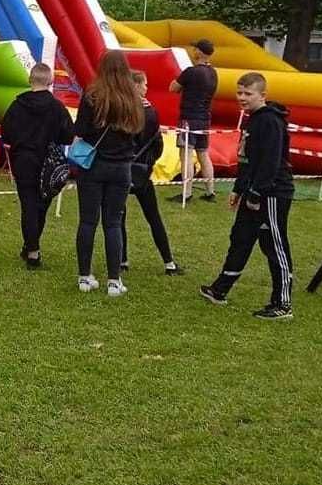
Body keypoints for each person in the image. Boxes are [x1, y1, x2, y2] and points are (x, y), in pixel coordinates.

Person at [199, 72, 295, 319]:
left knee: (274, 244)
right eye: (239, 93)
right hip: (252, 190)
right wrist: (238, 189)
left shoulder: (270, 121)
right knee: (240, 237)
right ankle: (220, 289)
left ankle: (283, 303)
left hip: (272, 193)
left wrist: (255, 193)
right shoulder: (252, 120)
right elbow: (247, 160)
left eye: (248, 94)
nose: (242, 98)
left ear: (262, 95)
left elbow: (270, 162)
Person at [72, 50, 144, 296]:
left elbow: (80, 128)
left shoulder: (92, 95)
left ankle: (84, 276)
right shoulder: (133, 98)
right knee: (113, 223)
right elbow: (139, 132)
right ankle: (114, 280)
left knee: (88, 221)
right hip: (121, 167)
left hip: (93, 166)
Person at [0, 61, 75, 269]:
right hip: (48, 161)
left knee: (28, 205)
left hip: (23, 160)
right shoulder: (57, 107)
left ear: (29, 80)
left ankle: (31, 248)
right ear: (50, 81)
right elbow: (69, 135)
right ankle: (32, 247)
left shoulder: (17, 105)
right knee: (41, 205)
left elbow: (5, 132)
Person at [121, 71, 184, 276]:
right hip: (142, 171)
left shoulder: (122, 110)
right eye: (145, 84)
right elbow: (156, 144)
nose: (147, 88)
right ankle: (169, 262)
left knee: (118, 217)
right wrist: (149, 164)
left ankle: (122, 259)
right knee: (153, 217)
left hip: (121, 169)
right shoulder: (150, 112)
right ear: (137, 85)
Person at [169, 38, 219, 202]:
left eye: (195, 48)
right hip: (204, 118)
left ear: (198, 52)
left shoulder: (191, 72)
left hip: (189, 118)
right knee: (204, 154)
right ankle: (210, 191)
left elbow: (173, 87)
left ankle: (187, 192)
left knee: (186, 155)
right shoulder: (213, 73)